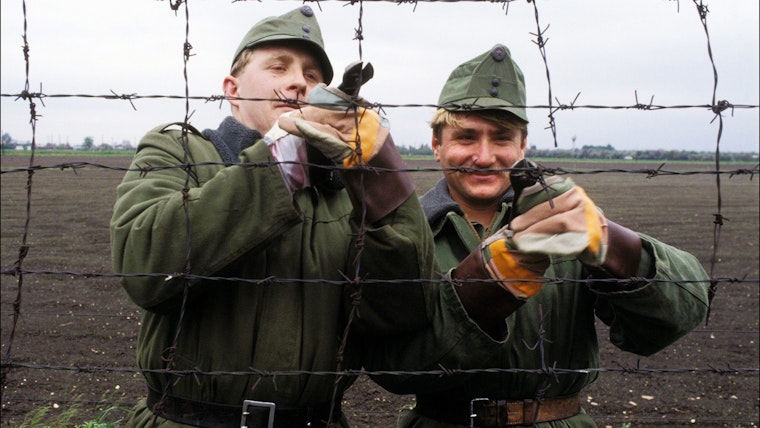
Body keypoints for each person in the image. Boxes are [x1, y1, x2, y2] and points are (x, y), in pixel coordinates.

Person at [109, 6, 440, 427]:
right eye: (278, 67)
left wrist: (378, 174)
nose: (299, 81)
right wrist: (285, 155)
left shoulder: (344, 195)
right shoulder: (179, 152)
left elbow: (401, 312)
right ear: (232, 88)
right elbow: (147, 266)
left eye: (313, 76)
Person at [388, 44, 711, 427]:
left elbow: (675, 318)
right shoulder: (408, 234)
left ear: (523, 146)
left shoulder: (562, 219)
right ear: (436, 146)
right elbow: (392, 367)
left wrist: (615, 248)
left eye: (502, 138)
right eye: (466, 138)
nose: (486, 156)